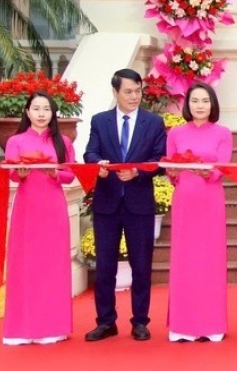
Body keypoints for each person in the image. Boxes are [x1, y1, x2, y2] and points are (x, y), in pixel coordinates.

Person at [83, 68, 167, 342]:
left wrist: (138, 174)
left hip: (139, 204)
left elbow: (159, 159)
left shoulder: (153, 123)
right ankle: (106, 321)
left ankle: (140, 321)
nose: (134, 96)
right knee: (104, 266)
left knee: (141, 266)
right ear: (115, 92)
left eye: (138, 91)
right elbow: (90, 152)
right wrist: (99, 166)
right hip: (107, 204)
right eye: (128, 92)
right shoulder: (100, 121)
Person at [1, 92, 76, 345]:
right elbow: (11, 174)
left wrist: (54, 172)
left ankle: (52, 327)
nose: (42, 113)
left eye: (46, 109)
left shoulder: (62, 141)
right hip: (27, 209)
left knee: (52, 266)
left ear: (53, 113)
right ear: (27, 112)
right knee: (24, 265)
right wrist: (21, 173)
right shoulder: (16, 141)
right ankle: (20, 329)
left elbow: (70, 175)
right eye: (36, 108)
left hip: (53, 209)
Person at [165, 83, 232, 342]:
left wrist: (209, 172)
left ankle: (212, 324)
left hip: (210, 199)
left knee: (210, 261)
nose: (200, 105)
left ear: (212, 104)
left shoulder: (223, 133)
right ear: (187, 104)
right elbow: (169, 166)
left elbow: (221, 166)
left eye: (205, 101)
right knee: (184, 260)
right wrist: (172, 173)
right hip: (184, 200)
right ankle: (182, 326)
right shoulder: (175, 133)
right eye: (195, 101)